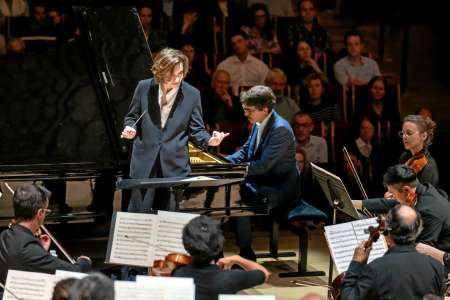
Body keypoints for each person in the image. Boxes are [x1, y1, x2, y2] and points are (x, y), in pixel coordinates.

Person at [121, 48, 228, 213]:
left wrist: (209, 140)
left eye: (181, 73)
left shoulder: (192, 94)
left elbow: (197, 129)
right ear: (161, 70)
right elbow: (132, 116)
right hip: (144, 163)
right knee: (139, 216)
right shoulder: (144, 87)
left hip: (174, 166)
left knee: (169, 218)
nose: (178, 78)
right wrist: (130, 128)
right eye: (173, 74)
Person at [226, 85, 300, 259]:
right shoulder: (260, 122)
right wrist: (224, 162)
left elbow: (263, 166)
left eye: (249, 110)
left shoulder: (280, 129)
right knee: (231, 193)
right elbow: (245, 151)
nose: (246, 114)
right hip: (264, 180)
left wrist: (235, 170)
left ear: (264, 109)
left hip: (279, 188)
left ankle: (246, 252)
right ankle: (238, 249)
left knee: (236, 197)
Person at [341, 204, 446, 300]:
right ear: (417, 231)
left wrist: (356, 264)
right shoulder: (436, 267)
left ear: (388, 232)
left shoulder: (376, 268)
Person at [0, 183, 91, 286]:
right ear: (40, 213)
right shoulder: (28, 249)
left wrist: (40, 249)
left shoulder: (4, 236)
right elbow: (75, 272)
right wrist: (84, 261)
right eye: (46, 211)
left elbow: (26, 262)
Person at [353, 165, 450, 251]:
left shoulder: (428, 211)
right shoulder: (419, 190)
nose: (390, 196)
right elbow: (386, 203)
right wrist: (352, 203)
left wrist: (391, 239)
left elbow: (422, 250)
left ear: (406, 190)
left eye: (393, 193)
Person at [173, 215, 270, 300]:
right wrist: (237, 258)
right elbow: (265, 274)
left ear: (185, 244)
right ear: (220, 244)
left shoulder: (177, 273)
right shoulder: (231, 278)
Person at [216, 30, 269, 96]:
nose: (237, 45)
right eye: (234, 44)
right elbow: (217, 87)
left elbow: (266, 88)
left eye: (239, 41)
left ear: (246, 42)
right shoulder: (223, 66)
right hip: (231, 100)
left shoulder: (260, 66)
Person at [398, 114, 439, 187]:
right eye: (403, 133)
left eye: (409, 133)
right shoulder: (403, 157)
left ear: (423, 136)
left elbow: (423, 196)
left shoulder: (429, 165)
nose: (404, 137)